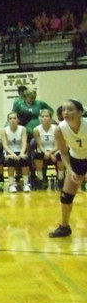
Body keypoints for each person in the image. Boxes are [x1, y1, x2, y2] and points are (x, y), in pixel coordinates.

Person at [50, 99, 87, 237]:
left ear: (80, 112)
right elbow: (63, 152)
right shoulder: (60, 128)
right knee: (66, 197)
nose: (66, 112)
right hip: (76, 159)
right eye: (64, 109)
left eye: (70, 109)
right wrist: (70, 170)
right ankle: (65, 227)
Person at [1, 111, 31, 193]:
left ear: (18, 120)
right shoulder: (4, 130)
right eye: (10, 118)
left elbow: (24, 142)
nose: (12, 120)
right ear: (8, 121)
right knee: (11, 160)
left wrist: (21, 153)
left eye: (14, 118)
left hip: (20, 150)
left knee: (24, 159)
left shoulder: (22, 129)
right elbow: (5, 145)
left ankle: (26, 184)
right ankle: (11, 184)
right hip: (9, 151)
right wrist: (12, 154)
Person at [34, 108, 63, 190]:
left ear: (50, 118)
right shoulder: (36, 130)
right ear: (40, 118)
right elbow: (39, 145)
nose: (44, 118)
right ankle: (41, 179)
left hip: (54, 150)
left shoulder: (56, 128)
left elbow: (58, 145)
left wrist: (50, 153)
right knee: (37, 155)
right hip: (43, 150)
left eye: (47, 116)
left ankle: (60, 179)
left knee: (61, 155)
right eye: (42, 116)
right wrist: (47, 153)